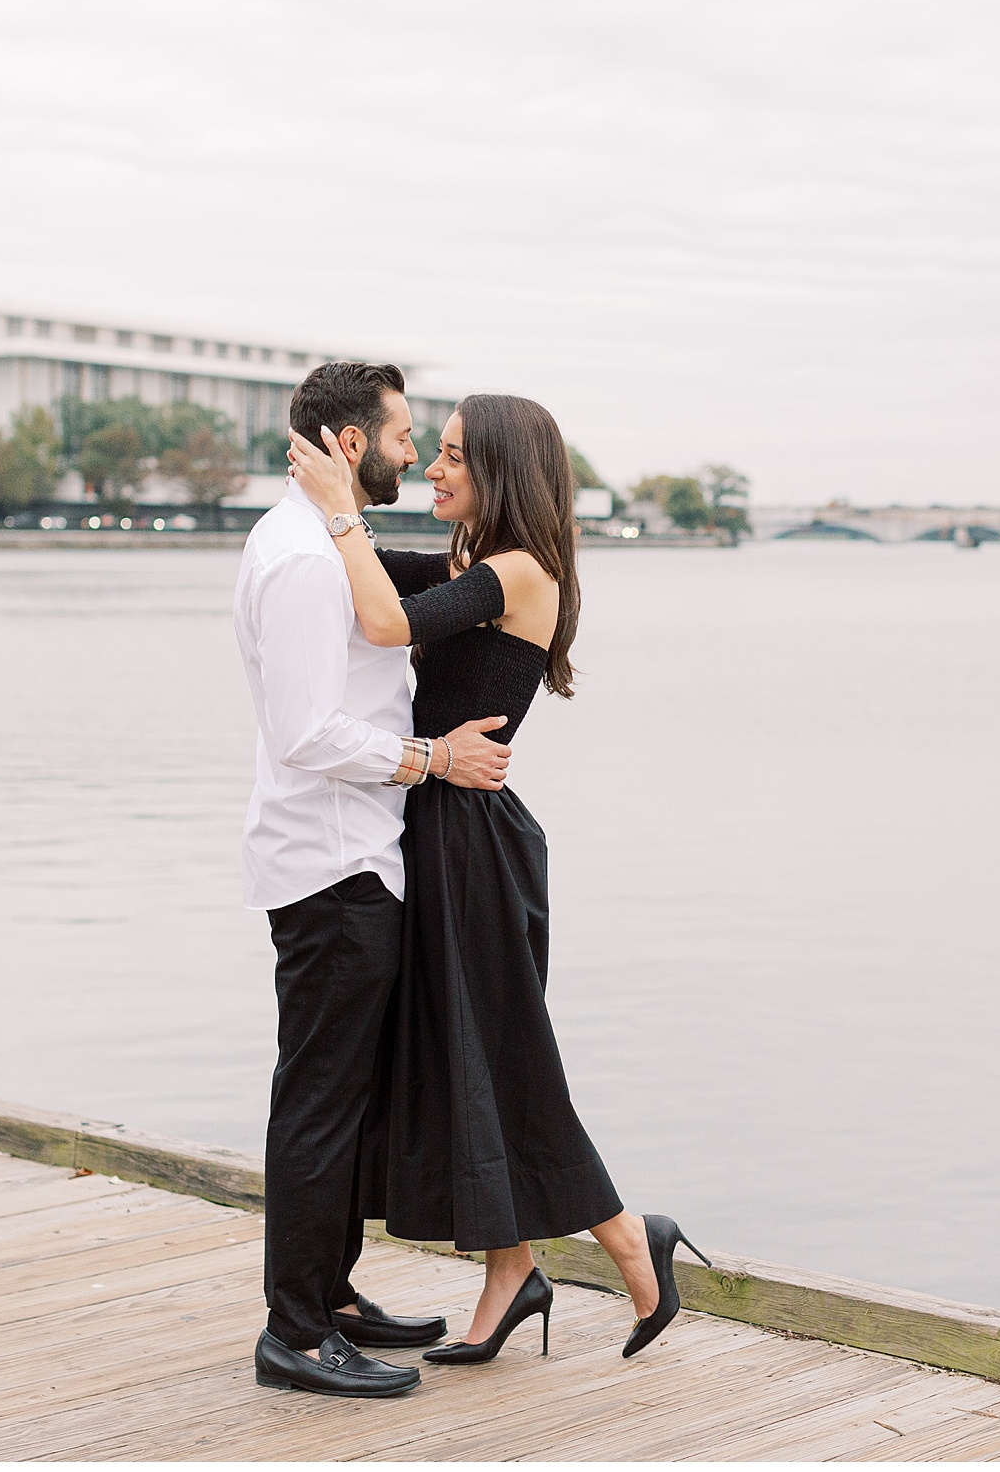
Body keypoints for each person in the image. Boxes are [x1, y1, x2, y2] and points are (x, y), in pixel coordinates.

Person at [286, 394, 708, 1367]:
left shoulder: (518, 571)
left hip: (471, 841)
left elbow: (386, 621)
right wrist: (318, 503)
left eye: (449, 458)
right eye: (427, 454)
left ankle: (627, 1238)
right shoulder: (475, 566)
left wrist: (345, 509)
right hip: (439, 824)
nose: (431, 471)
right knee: (463, 1053)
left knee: (503, 1055)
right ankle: (510, 1268)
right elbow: (354, 584)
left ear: (503, 470)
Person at [235, 360, 518, 1398]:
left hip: (348, 857)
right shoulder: (308, 560)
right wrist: (430, 758)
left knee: (341, 1102)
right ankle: (295, 1333)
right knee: (318, 1101)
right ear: (352, 443)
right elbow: (307, 730)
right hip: (331, 863)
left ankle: (332, 1294)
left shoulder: (319, 544)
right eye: (403, 435)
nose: (411, 452)